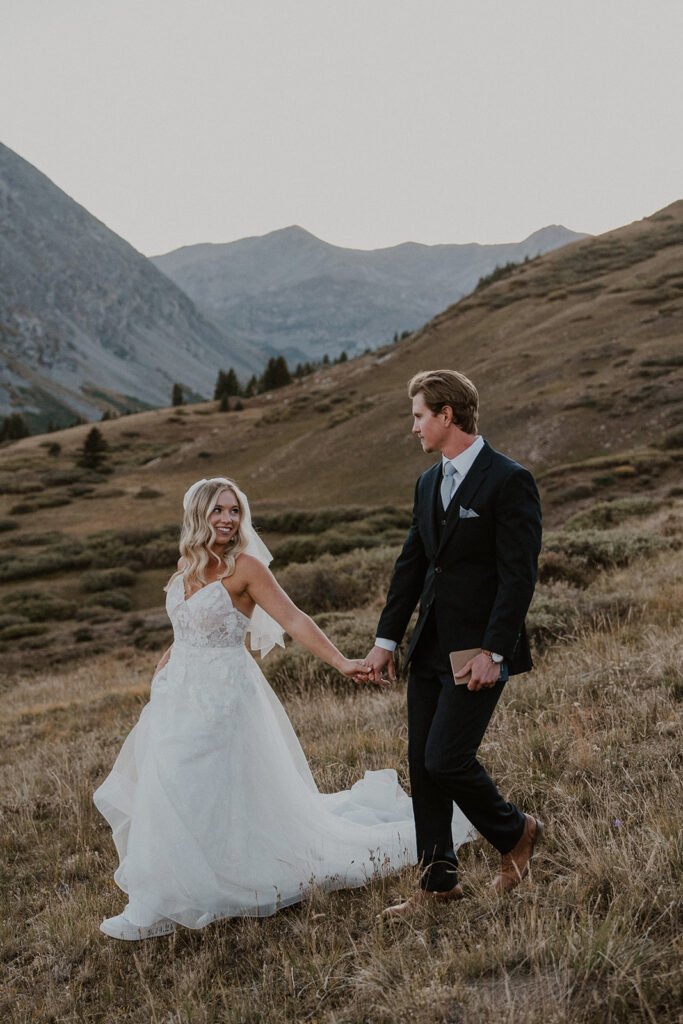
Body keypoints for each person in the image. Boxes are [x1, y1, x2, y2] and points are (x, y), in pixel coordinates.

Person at [94, 476, 475, 939]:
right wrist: (168, 659)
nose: (227, 519)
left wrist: (340, 662)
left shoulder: (247, 568)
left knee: (212, 785)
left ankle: (233, 879)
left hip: (225, 698)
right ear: (197, 514)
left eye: (234, 511)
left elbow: (293, 618)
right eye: (218, 510)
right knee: (173, 787)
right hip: (178, 694)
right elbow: (186, 628)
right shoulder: (186, 565)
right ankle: (167, 891)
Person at [364, 370, 543, 916]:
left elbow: (518, 577)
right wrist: (385, 641)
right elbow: (411, 567)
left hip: (477, 653)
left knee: (447, 758)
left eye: (418, 415)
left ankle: (517, 833)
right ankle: (437, 884)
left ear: (447, 415)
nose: (413, 426)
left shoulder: (508, 480)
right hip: (428, 650)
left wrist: (494, 651)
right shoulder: (427, 483)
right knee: (423, 765)